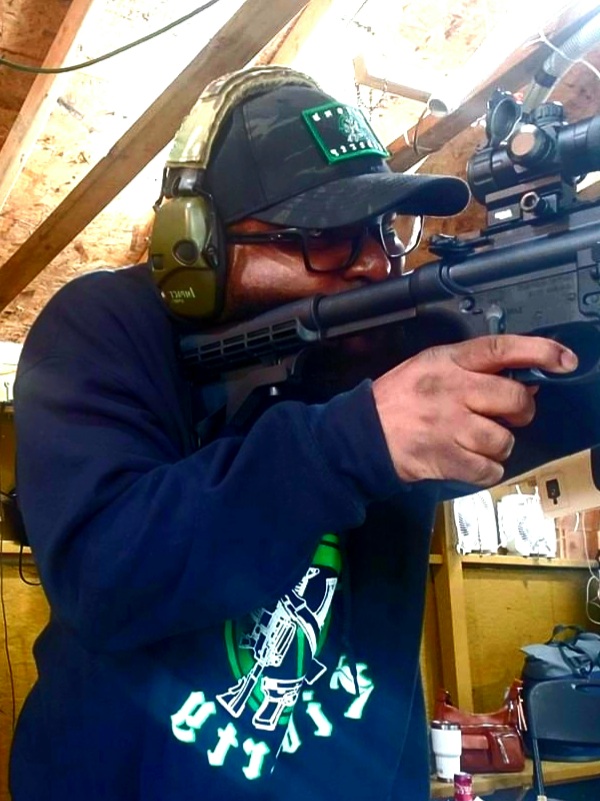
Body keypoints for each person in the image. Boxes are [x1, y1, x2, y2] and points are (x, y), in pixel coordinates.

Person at [8, 66, 599, 801]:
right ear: (199, 245)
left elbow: (557, 402)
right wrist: (352, 443)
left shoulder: (386, 343)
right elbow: (104, 573)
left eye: (383, 231)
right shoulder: (105, 327)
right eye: (328, 238)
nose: (374, 264)